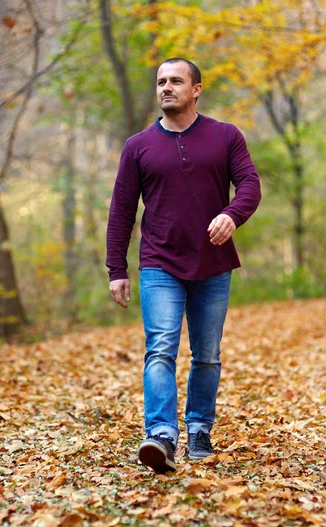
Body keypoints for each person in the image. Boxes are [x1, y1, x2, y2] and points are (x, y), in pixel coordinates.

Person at [106, 58, 261, 474]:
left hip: (213, 263)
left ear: (196, 89)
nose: (166, 87)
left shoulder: (225, 136)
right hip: (159, 263)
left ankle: (198, 429)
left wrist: (232, 214)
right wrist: (116, 268)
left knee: (207, 355)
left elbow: (249, 184)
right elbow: (121, 210)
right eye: (160, 81)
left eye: (176, 80)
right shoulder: (138, 146)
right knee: (160, 349)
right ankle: (161, 435)